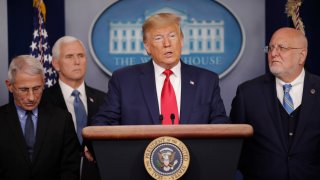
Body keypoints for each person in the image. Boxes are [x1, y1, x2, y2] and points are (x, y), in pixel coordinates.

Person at [92, 12, 229, 125]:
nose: (167, 44)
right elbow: (104, 122)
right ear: (147, 46)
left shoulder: (207, 81)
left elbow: (220, 123)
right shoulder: (124, 80)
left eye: (172, 36)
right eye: (158, 38)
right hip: (139, 157)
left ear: (181, 40)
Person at [230, 27, 320, 179]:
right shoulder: (248, 93)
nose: (273, 53)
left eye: (282, 48)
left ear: (302, 55)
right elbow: (234, 147)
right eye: (271, 48)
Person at [0, 55, 80, 179]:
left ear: (43, 83)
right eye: (24, 90)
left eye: (36, 89)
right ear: (10, 86)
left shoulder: (62, 119)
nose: (31, 97)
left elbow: (70, 168)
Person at [42, 36, 106, 180]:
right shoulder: (43, 101)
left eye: (81, 56)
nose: (77, 62)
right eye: (69, 56)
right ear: (56, 64)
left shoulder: (104, 100)